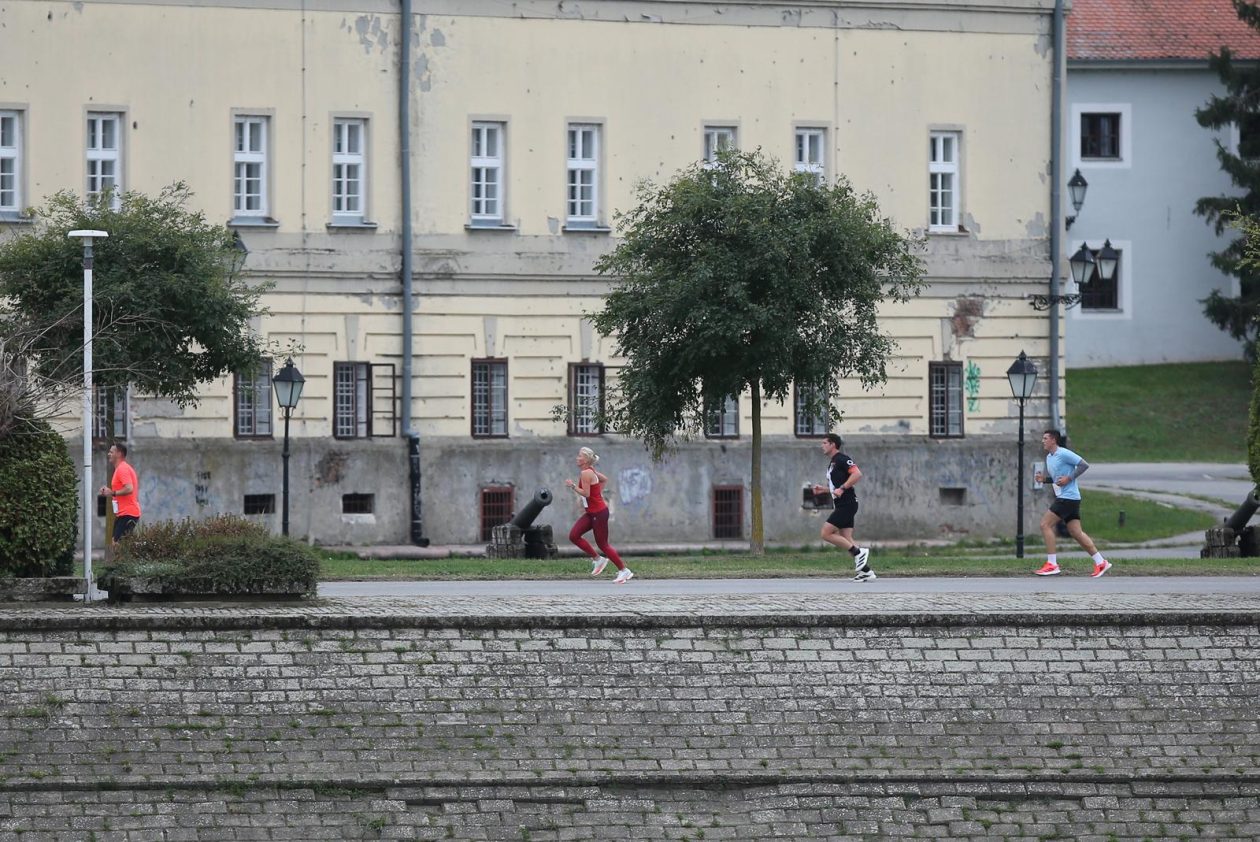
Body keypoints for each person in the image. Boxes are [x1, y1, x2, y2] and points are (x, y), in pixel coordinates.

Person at [1033, 429, 1111, 578]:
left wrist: (1069, 478)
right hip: (1069, 498)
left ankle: (1052, 564)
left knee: (1045, 524)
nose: (1042, 441)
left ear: (1053, 440)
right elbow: (1058, 479)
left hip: (1068, 498)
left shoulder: (1063, 453)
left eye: (1045, 438)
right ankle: (1101, 562)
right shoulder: (1050, 457)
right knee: (1076, 532)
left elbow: (1084, 465)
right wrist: (1045, 480)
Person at [564, 446, 633, 584]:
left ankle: (624, 571)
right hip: (592, 513)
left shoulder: (586, 474)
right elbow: (604, 479)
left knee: (603, 544)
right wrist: (597, 494)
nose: (577, 458)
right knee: (574, 535)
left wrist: (572, 486)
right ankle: (598, 559)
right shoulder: (590, 471)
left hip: (599, 513)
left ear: (586, 460)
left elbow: (586, 493)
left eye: (580, 456)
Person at [812, 433, 874, 582]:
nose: (822, 446)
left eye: (824, 443)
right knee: (846, 537)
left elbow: (857, 474)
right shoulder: (833, 463)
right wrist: (825, 490)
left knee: (826, 533)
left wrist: (842, 488)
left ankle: (859, 553)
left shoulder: (842, 459)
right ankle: (866, 572)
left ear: (833, 444)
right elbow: (837, 486)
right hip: (843, 503)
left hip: (847, 504)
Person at [99, 440, 141, 545]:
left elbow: (129, 488)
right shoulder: (120, 469)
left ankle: (139, 557)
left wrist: (112, 493)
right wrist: (109, 492)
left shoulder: (122, 469)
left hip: (128, 513)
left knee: (118, 544)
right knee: (117, 543)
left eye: (111, 452)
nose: (109, 454)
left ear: (119, 454)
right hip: (123, 513)